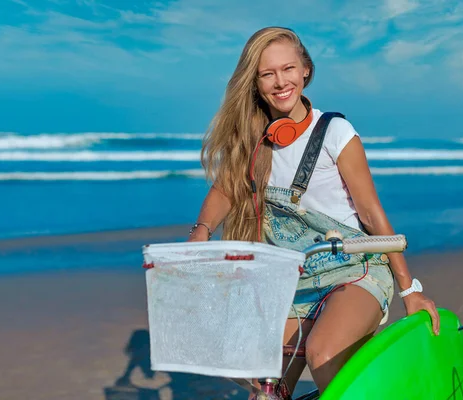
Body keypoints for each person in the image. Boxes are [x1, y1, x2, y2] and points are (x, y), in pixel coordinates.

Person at [187, 26, 440, 396]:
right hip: (293, 283)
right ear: (254, 82)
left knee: (322, 352)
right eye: (267, 73)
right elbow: (225, 188)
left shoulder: (336, 131)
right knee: (264, 387)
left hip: (355, 270)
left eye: (288, 69)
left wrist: (409, 290)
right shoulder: (254, 140)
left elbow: (371, 213)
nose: (280, 82)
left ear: (305, 69)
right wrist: (202, 229)